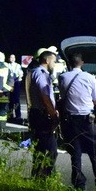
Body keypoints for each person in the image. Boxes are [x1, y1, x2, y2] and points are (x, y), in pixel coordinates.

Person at [57, 52, 96, 191]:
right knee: (94, 152)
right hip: (87, 121)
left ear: (69, 63)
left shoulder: (62, 77)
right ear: (82, 63)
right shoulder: (89, 77)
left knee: (75, 154)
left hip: (71, 122)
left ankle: (79, 184)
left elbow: (63, 96)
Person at [27, 47, 59, 177]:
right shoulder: (41, 74)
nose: (54, 64)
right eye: (53, 61)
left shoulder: (35, 72)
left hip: (37, 113)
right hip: (42, 114)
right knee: (51, 150)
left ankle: (36, 175)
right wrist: (53, 114)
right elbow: (45, 96)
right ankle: (44, 176)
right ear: (46, 60)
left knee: (40, 148)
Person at [6, 53, 24, 122]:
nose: (12, 59)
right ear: (9, 58)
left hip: (16, 84)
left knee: (16, 100)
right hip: (9, 84)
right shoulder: (7, 65)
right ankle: (10, 115)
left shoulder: (17, 65)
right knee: (10, 100)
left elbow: (20, 73)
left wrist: (20, 76)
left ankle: (18, 116)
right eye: (11, 57)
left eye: (13, 57)